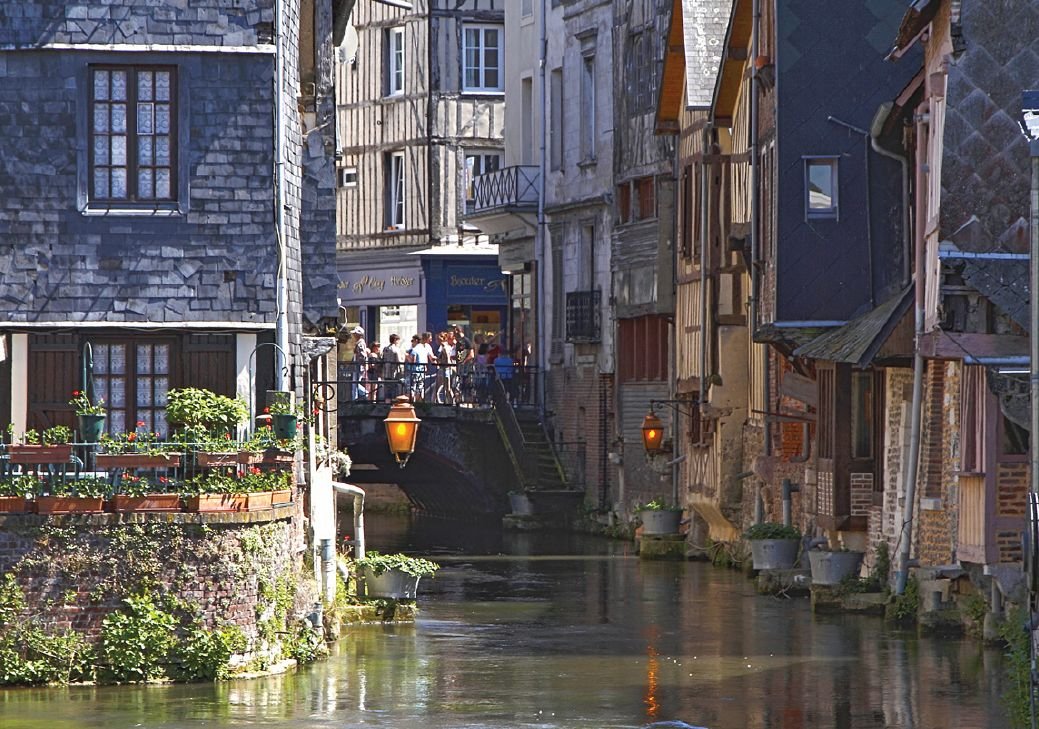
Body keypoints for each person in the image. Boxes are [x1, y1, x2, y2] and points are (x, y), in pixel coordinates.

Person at [350, 326, 370, 400]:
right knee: (355, 383)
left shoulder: (360, 343)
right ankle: (362, 394)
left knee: (355, 383)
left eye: (355, 334)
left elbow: (363, 356)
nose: (354, 335)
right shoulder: (359, 343)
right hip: (358, 365)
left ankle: (362, 394)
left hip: (358, 366)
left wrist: (363, 364)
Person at [382, 333, 403, 401]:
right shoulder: (396, 349)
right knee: (394, 388)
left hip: (386, 372)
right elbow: (399, 361)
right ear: (395, 340)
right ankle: (393, 402)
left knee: (387, 389)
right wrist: (402, 370)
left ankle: (387, 402)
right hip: (393, 372)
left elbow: (383, 359)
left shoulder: (385, 349)